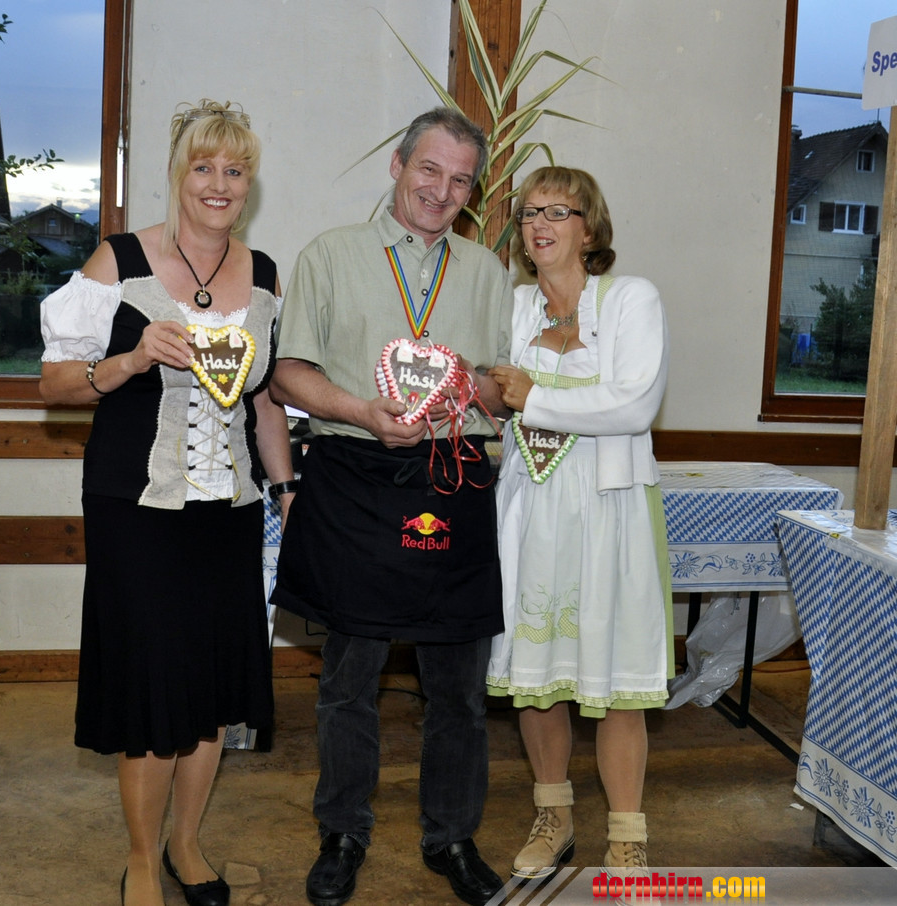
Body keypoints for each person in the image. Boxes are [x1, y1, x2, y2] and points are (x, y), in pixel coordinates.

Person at [38, 99, 296, 906]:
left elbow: (263, 401)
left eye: (235, 170)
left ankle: (188, 845)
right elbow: (53, 385)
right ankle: (143, 859)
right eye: (204, 166)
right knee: (153, 688)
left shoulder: (264, 274)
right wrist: (131, 359)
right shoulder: (118, 261)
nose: (220, 183)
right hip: (137, 509)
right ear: (179, 174)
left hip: (230, 511)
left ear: (249, 183)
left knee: (211, 689)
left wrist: (286, 488)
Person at [269, 107, 514, 906]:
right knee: (349, 681)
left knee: (459, 688)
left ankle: (452, 838)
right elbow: (288, 373)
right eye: (429, 169)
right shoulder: (331, 254)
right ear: (399, 165)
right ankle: (343, 832)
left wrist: (473, 389)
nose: (441, 191)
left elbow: (503, 388)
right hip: (355, 476)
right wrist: (360, 411)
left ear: (472, 192)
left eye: (460, 180)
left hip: (455, 477)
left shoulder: (487, 271)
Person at [485, 166, 671, 882]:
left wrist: (531, 396)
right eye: (530, 213)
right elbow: (487, 395)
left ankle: (627, 837)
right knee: (537, 675)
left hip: (608, 509)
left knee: (614, 678)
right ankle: (554, 815)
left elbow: (634, 406)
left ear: (589, 229)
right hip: (529, 508)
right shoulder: (514, 308)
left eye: (558, 212)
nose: (540, 225)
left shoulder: (630, 299)